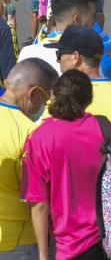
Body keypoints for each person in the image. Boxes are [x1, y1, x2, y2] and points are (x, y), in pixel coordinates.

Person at [22, 70, 111, 260]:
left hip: (68, 247)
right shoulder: (105, 128)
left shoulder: (41, 138)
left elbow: (39, 204)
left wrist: (43, 254)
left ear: (54, 95)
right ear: (88, 99)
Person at [45, 25, 111, 155]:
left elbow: (44, 143)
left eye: (59, 54)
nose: (58, 60)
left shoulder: (60, 97)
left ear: (75, 57)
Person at [0, 59, 59, 259]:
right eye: (45, 100)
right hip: (18, 242)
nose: (44, 107)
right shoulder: (31, 134)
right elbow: (38, 200)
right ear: (33, 93)